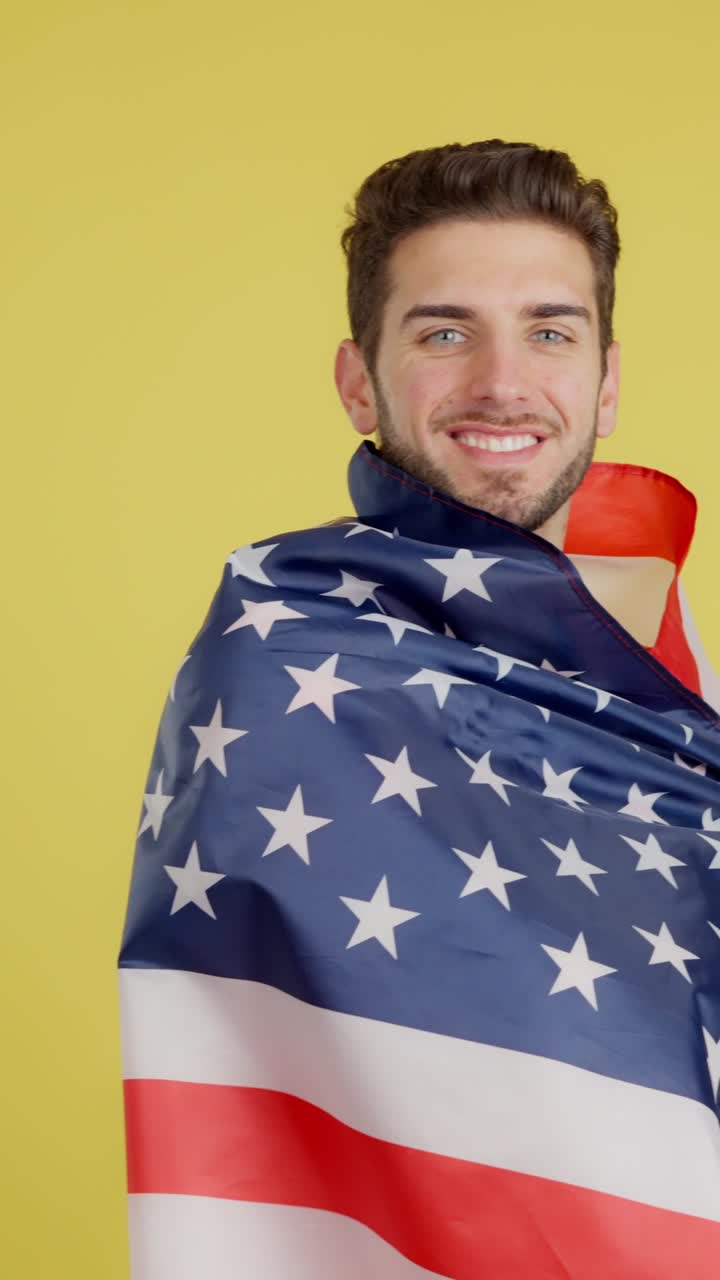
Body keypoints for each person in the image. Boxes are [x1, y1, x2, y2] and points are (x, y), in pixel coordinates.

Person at [119, 141, 720, 1279]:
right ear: (359, 379)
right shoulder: (282, 644)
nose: (503, 380)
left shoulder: (679, 672)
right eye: (445, 332)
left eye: (550, 330)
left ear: (606, 378)